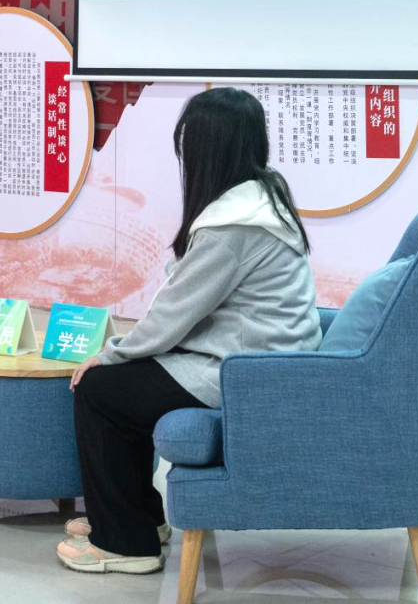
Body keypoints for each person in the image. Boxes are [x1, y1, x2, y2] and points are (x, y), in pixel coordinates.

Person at [56, 87, 323, 573]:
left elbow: (173, 313)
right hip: (256, 357)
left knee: (99, 389)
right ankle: (140, 519)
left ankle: (124, 545)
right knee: (128, 380)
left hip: (244, 371)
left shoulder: (234, 227)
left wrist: (111, 353)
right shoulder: (262, 198)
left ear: (207, 149)